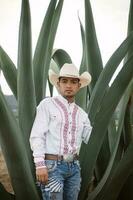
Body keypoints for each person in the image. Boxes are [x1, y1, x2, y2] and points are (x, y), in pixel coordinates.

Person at [29, 63, 92, 200]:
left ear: (79, 85)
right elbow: (37, 136)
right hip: (52, 167)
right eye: (64, 81)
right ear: (58, 84)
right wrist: (40, 165)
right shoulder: (47, 105)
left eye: (73, 82)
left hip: (74, 167)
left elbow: (91, 138)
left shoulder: (82, 114)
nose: (68, 85)